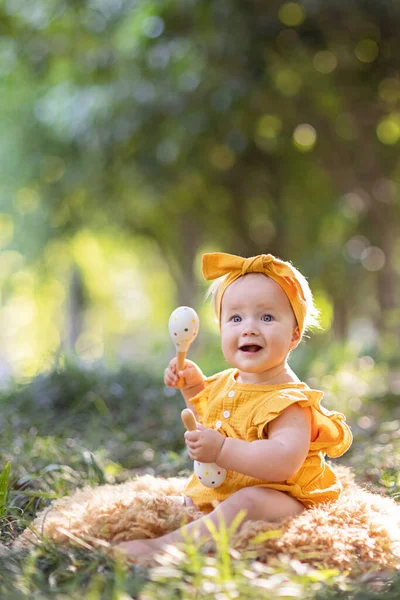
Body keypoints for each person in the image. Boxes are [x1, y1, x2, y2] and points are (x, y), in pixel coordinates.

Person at [117, 252, 352, 558]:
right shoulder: (230, 381)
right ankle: (183, 525)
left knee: (248, 504)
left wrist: (222, 450)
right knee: (190, 501)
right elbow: (210, 416)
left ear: (294, 334)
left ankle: (165, 550)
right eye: (235, 318)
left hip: (285, 495)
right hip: (230, 486)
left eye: (266, 317)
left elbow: (283, 461)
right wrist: (192, 385)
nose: (249, 328)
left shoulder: (291, 401)